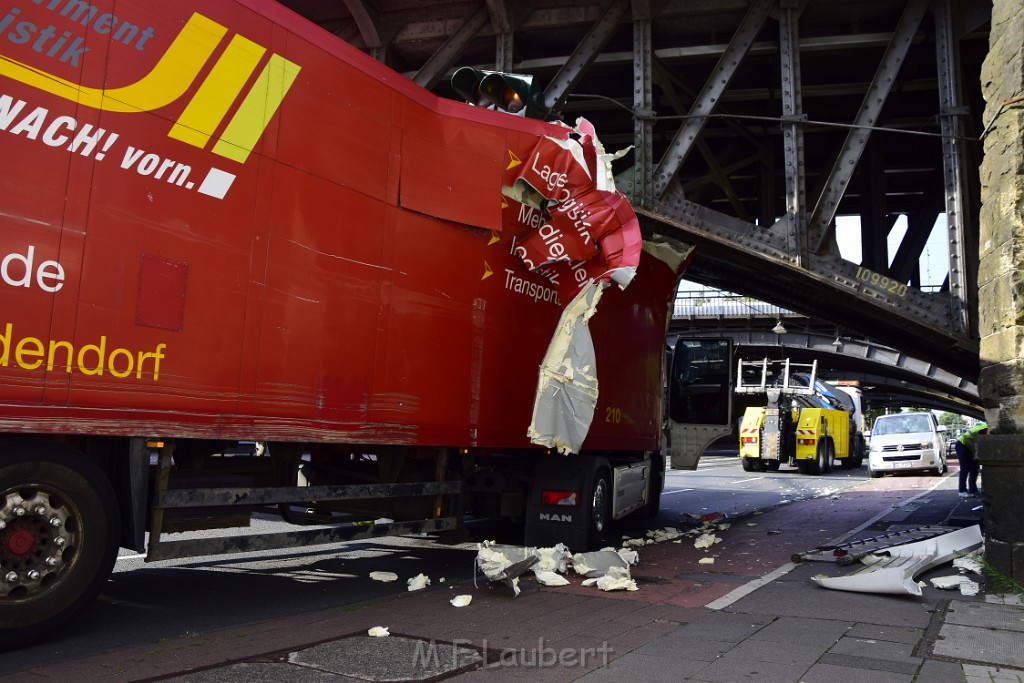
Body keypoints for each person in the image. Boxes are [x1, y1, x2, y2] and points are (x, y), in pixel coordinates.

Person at [956, 422, 988, 497]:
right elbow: (984, 443)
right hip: (962, 444)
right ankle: (962, 491)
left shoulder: (986, 427)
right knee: (965, 468)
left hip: (968, 447)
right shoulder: (986, 429)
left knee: (974, 468)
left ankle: (973, 490)